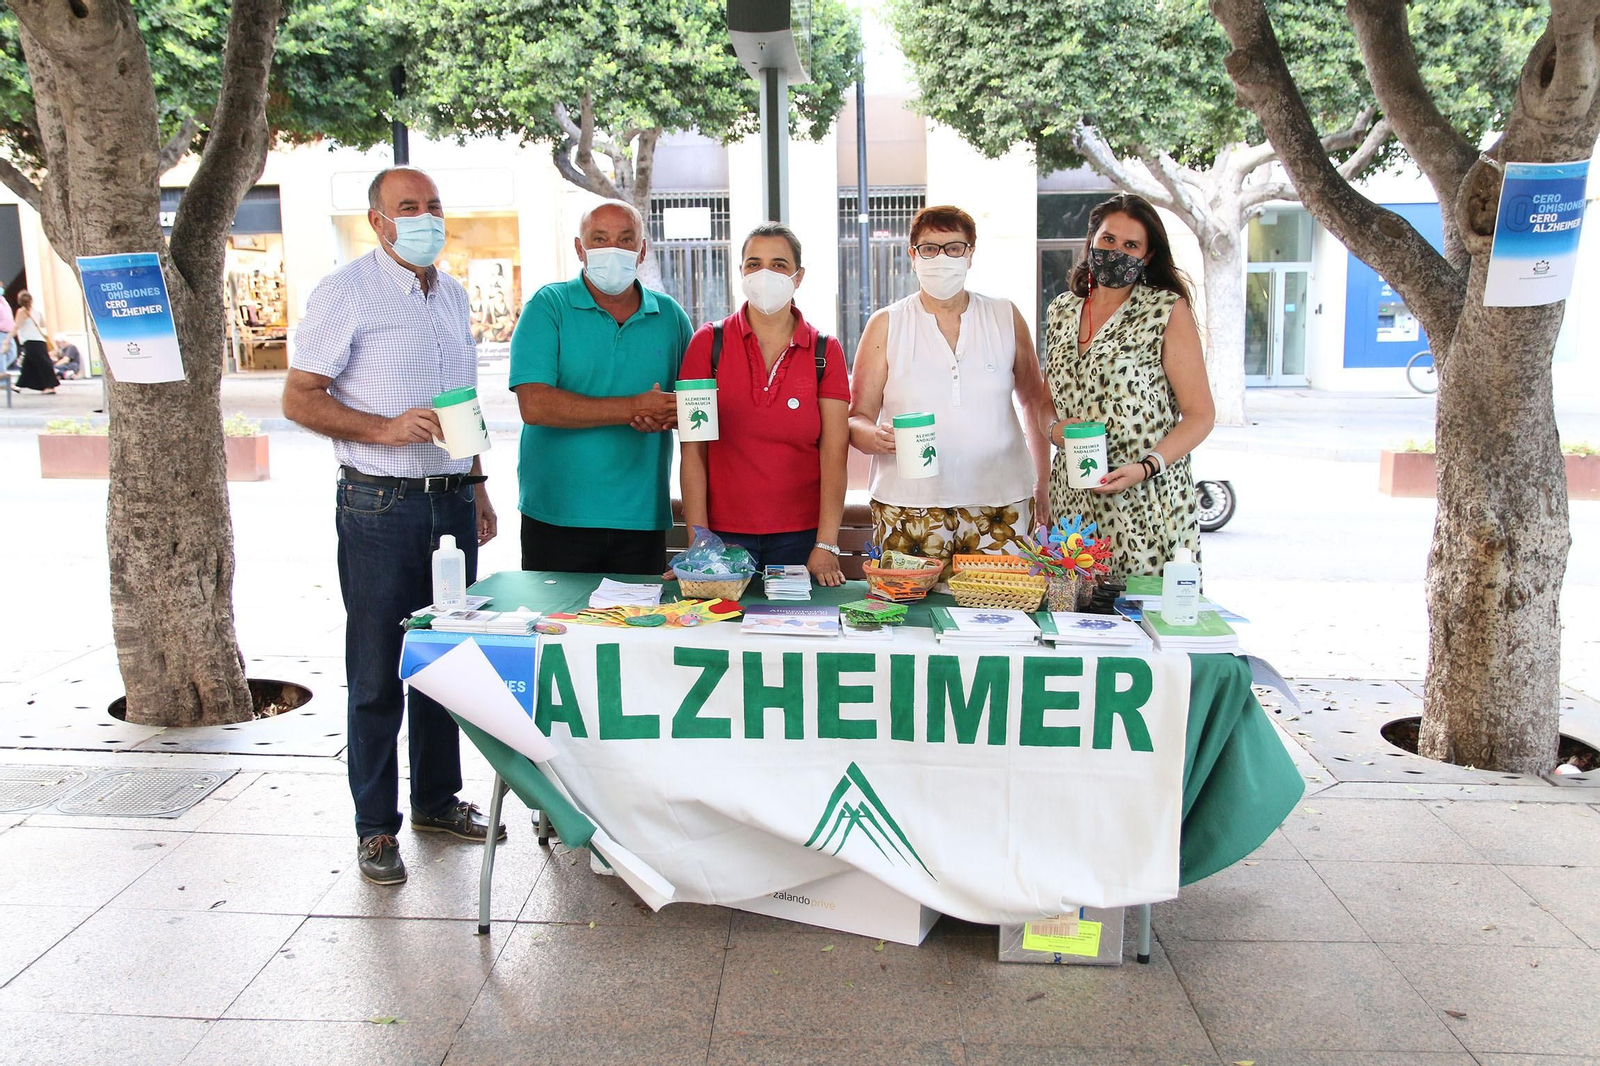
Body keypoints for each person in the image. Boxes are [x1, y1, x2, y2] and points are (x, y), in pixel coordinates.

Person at [282, 165, 503, 888]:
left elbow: (460, 400)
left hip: (450, 501)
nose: (425, 217)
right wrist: (383, 429)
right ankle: (376, 828)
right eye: (408, 207)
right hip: (379, 506)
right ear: (377, 221)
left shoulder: (451, 294)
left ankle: (437, 800)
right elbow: (299, 398)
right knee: (377, 670)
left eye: (434, 204)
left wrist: (479, 490)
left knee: (443, 663)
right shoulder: (345, 293)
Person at [848, 205, 1055, 577]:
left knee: (999, 612)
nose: (941, 258)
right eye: (929, 248)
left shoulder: (1005, 316)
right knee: (910, 614)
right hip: (908, 506)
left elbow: (1034, 403)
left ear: (971, 254)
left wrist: (1043, 483)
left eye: (954, 248)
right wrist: (874, 437)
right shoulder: (887, 324)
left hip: (1001, 502)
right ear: (912, 256)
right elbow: (856, 417)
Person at [510, 199, 693, 574]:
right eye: (600, 239)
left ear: (642, 250)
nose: (614, 250)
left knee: (639, 630)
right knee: (560, 629)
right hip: (557, 515)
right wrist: (635, 407)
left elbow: (699, 411)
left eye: (626, 240)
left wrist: (667, 414)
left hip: (640, 517)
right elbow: (536, 406)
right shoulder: (549, 306)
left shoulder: (670, 315)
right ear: (580, 248)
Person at [1042, 193, 1215, 576]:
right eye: (1108, 240)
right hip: (1074, 503)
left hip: (1145, 500)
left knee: (1143, 621)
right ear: (1092, 240)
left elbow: (1201, 415)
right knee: (1074, 624)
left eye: (1130, 245)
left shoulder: (1165, 310)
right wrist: (1054, 431)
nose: (1116, 251)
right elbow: (1045, 400)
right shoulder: (1061, 310)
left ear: (1147, 256)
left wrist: (1147, 466)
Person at [678, 222, 850, 583]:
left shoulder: (824, 351)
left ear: (798, 277)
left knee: (794, 636)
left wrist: (826, 543)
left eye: (779, 265)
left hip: (800, 537)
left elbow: (834, 455)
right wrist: (698, 541)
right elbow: (694, 451)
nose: (764, 274)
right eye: (753, 264)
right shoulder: (708, 344)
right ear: (741, 272)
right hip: (722, 540)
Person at [3, 292, 58, 394]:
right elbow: (43, 324)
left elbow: (16, 326)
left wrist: (8, 339)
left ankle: (50, 385)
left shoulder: (21, 312)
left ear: (20, 301)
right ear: (31, 301)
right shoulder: (36, 312)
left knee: (41, 363)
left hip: (30, 341)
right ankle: (18, 385)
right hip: (40, 340)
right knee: (28, 364)